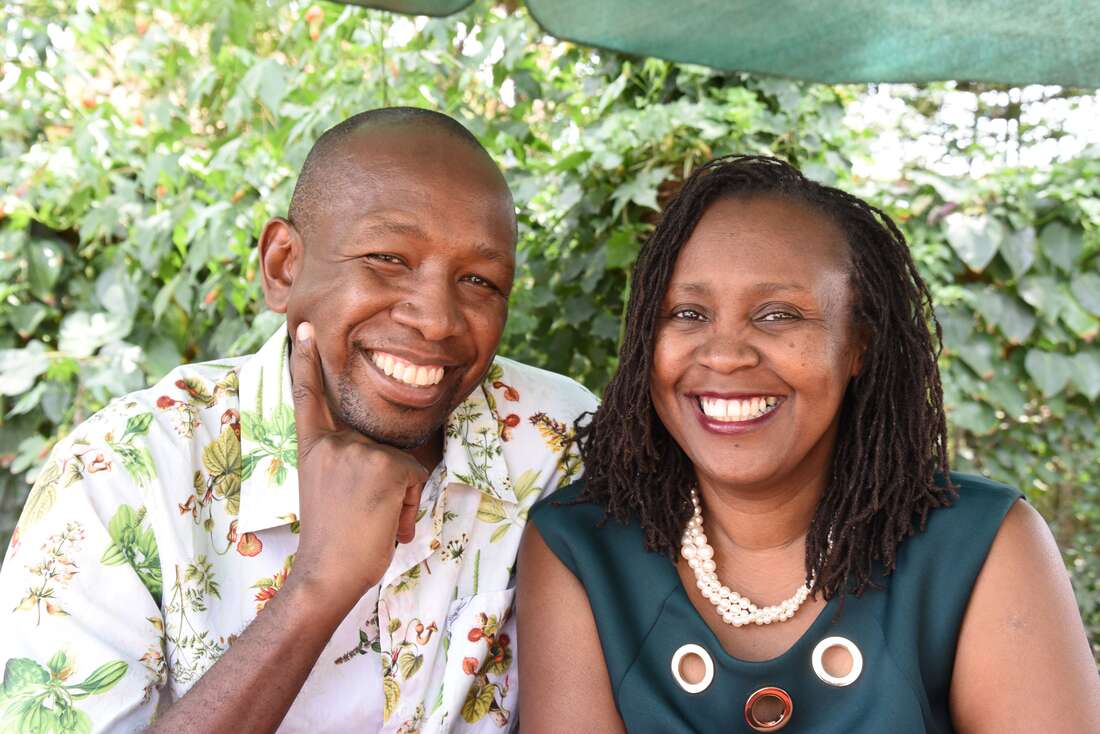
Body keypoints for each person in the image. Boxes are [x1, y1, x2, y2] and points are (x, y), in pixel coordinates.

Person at [0, 107, 596, 733]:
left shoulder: (559, 444)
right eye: (387, 258)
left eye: (479, 280)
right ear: (283, 265)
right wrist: (318, 584)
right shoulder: (122, 476)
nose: (436, 319)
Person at [517, 155, 1100, 733]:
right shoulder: (579, 548)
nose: (725, 355)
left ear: (858, 345)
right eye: (688, 313)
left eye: (778, 315)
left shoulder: (981, 544)